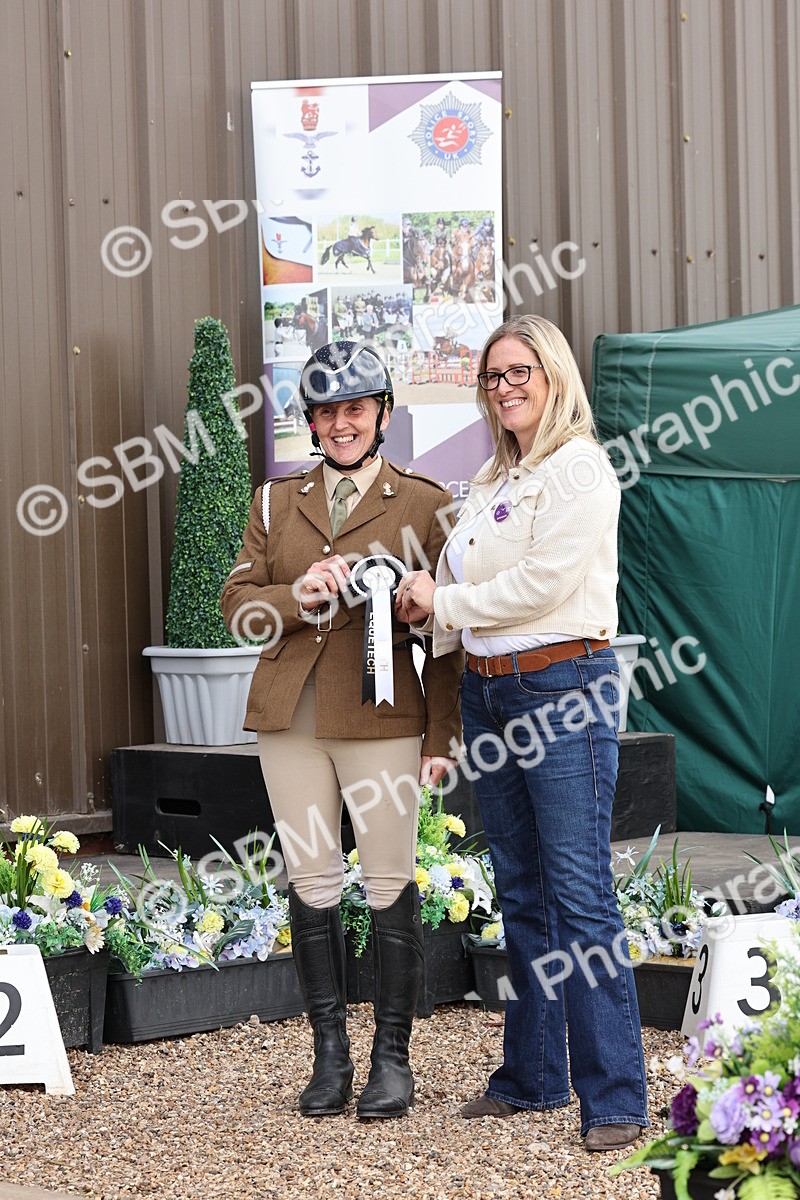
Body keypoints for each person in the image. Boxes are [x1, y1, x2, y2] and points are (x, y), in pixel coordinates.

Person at [395, 314, 649, 1151]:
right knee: (522, 889)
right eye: (493, 376)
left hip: (560, 687)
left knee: (579, 892)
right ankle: (533, 1075)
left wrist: (445, 603)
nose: (504, 387)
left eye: (519, 372)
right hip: (491, 690)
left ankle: (616, 1099)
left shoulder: (579, 468)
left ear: (553, 377)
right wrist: (427, 607)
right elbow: (465, 583)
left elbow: (544, 584)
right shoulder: (495, 478)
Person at [220, 341, 463, 1121]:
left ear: (382, 414)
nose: (341, 424)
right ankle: (330, 1055)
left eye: (355, 409)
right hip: (287, 717)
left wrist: (441, 738)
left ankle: (393, 1058)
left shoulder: (425, 503)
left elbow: (446, 639)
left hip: (382, 718)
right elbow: (238, 610)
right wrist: (298, 593)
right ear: (312, 423)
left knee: (389, 877)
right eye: (326, 413)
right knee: (311, 880)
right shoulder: (272, 502)